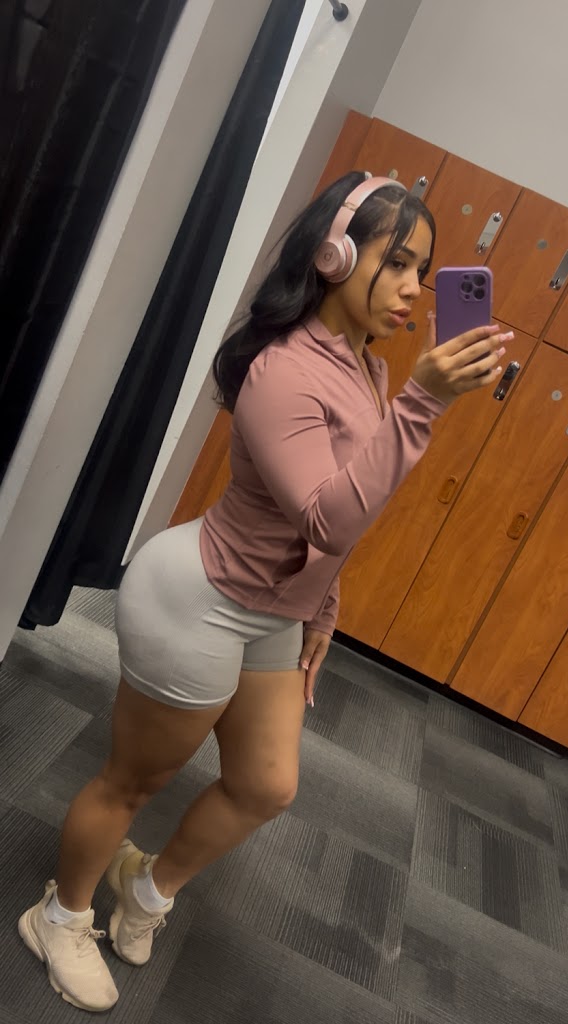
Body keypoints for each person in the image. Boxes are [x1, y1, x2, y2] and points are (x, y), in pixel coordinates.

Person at [18, 171, 512, 1011]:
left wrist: (322, 607)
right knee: (132, 781)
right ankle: (59, 916)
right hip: (200, 600)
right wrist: (424, 404)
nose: (412, 290)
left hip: (277, 612)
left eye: (422, 272)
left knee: (264, 786)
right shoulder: (283, 370)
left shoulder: (365, 367)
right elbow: (325, 515)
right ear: (333, 255)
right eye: (395, 263)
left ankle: (145, 887)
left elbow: (345, 511)